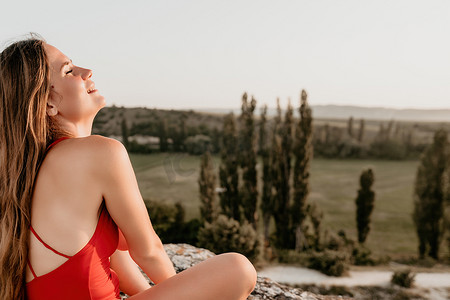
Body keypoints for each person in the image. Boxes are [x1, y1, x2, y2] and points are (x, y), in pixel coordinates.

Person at [0, 36, 257, 300]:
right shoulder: (99, 153)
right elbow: (149, 251)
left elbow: (115, 256)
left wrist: (152, 293)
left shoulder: (31, 170)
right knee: (239, 269)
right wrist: (185, 290)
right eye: (69, 70)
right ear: (48, 104)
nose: (86, 72)